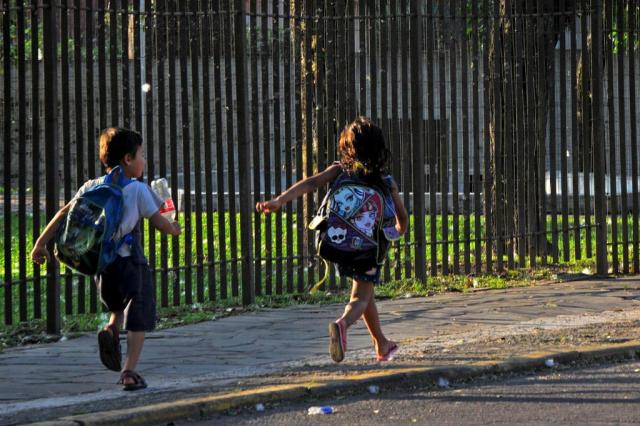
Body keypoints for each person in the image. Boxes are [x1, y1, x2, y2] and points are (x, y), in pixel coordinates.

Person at [30, 128, 181, 390]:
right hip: (131, 263)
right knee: (138, 313)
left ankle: (110, 328)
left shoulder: (91, 186)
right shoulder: (137, 190)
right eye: (141, 155)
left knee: (117, 305)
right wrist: (174, 227)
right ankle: (129, 372)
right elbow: (162, 225)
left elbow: (64, 213)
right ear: (127, 159)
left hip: (103, 266)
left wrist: (40, 243)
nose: (144, 161)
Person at [256, 116, 408, 363]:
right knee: (360, 297)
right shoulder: (385, 181)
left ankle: (381, 344)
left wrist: (280, 200)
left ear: (347, 148)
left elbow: (312, 182)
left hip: (340, 245)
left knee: (363, 293)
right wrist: (400, 230)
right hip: (369, 249)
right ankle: (342, 324)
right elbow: (401, 215)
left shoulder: (340, 170)